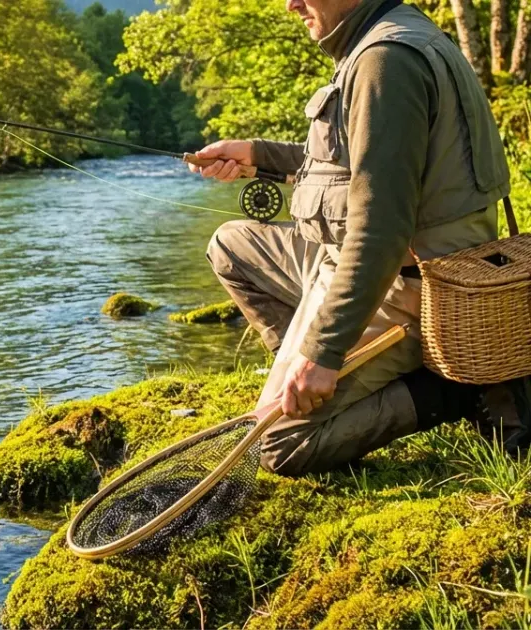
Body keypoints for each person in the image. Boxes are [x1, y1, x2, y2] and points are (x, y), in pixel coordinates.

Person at [189, 0, 531, 475]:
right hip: (341, 258)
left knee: (277, 444)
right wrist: (257, 155)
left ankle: (450, 390)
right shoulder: (383, 38)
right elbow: (354, 163)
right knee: (231, 245)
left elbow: (380, 233)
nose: (291, 4)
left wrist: (323, 351)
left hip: (411, 288)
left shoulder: (385, 61)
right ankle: (321, 380)